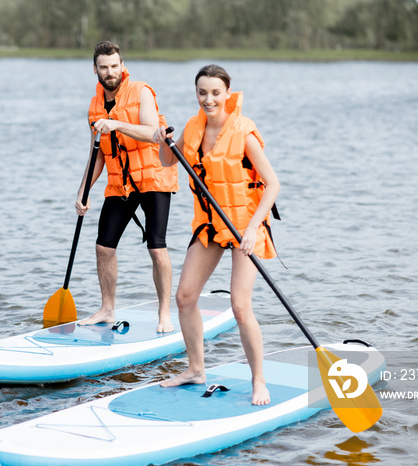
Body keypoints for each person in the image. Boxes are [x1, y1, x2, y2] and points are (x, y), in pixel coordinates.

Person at [153, 64, 280, 405]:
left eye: (215, 93)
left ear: (227, 93)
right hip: (211, 226)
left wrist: (253, 229)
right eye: (202, 92)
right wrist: (161, 140)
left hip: (244, 227)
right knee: (184, 297)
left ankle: (259, 381)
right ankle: (196, 369)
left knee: (240, 306)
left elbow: (273, 185)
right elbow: (167, 160)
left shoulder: (244, 132)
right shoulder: (193, 128)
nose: (208, 99)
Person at [76, 41, 179, 333]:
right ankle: (107, 309)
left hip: (154, 178)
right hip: (121, 183)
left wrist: (116, 123)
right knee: (103, 247)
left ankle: (164, 314)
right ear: (94, 69)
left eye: (114, 66)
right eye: (103, 67)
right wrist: (82, 192)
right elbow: (97, 153)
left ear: (122, 65)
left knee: (156, 248)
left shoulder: (141, 91)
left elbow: (151, 134)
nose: (110, 72)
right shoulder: (95, 107)